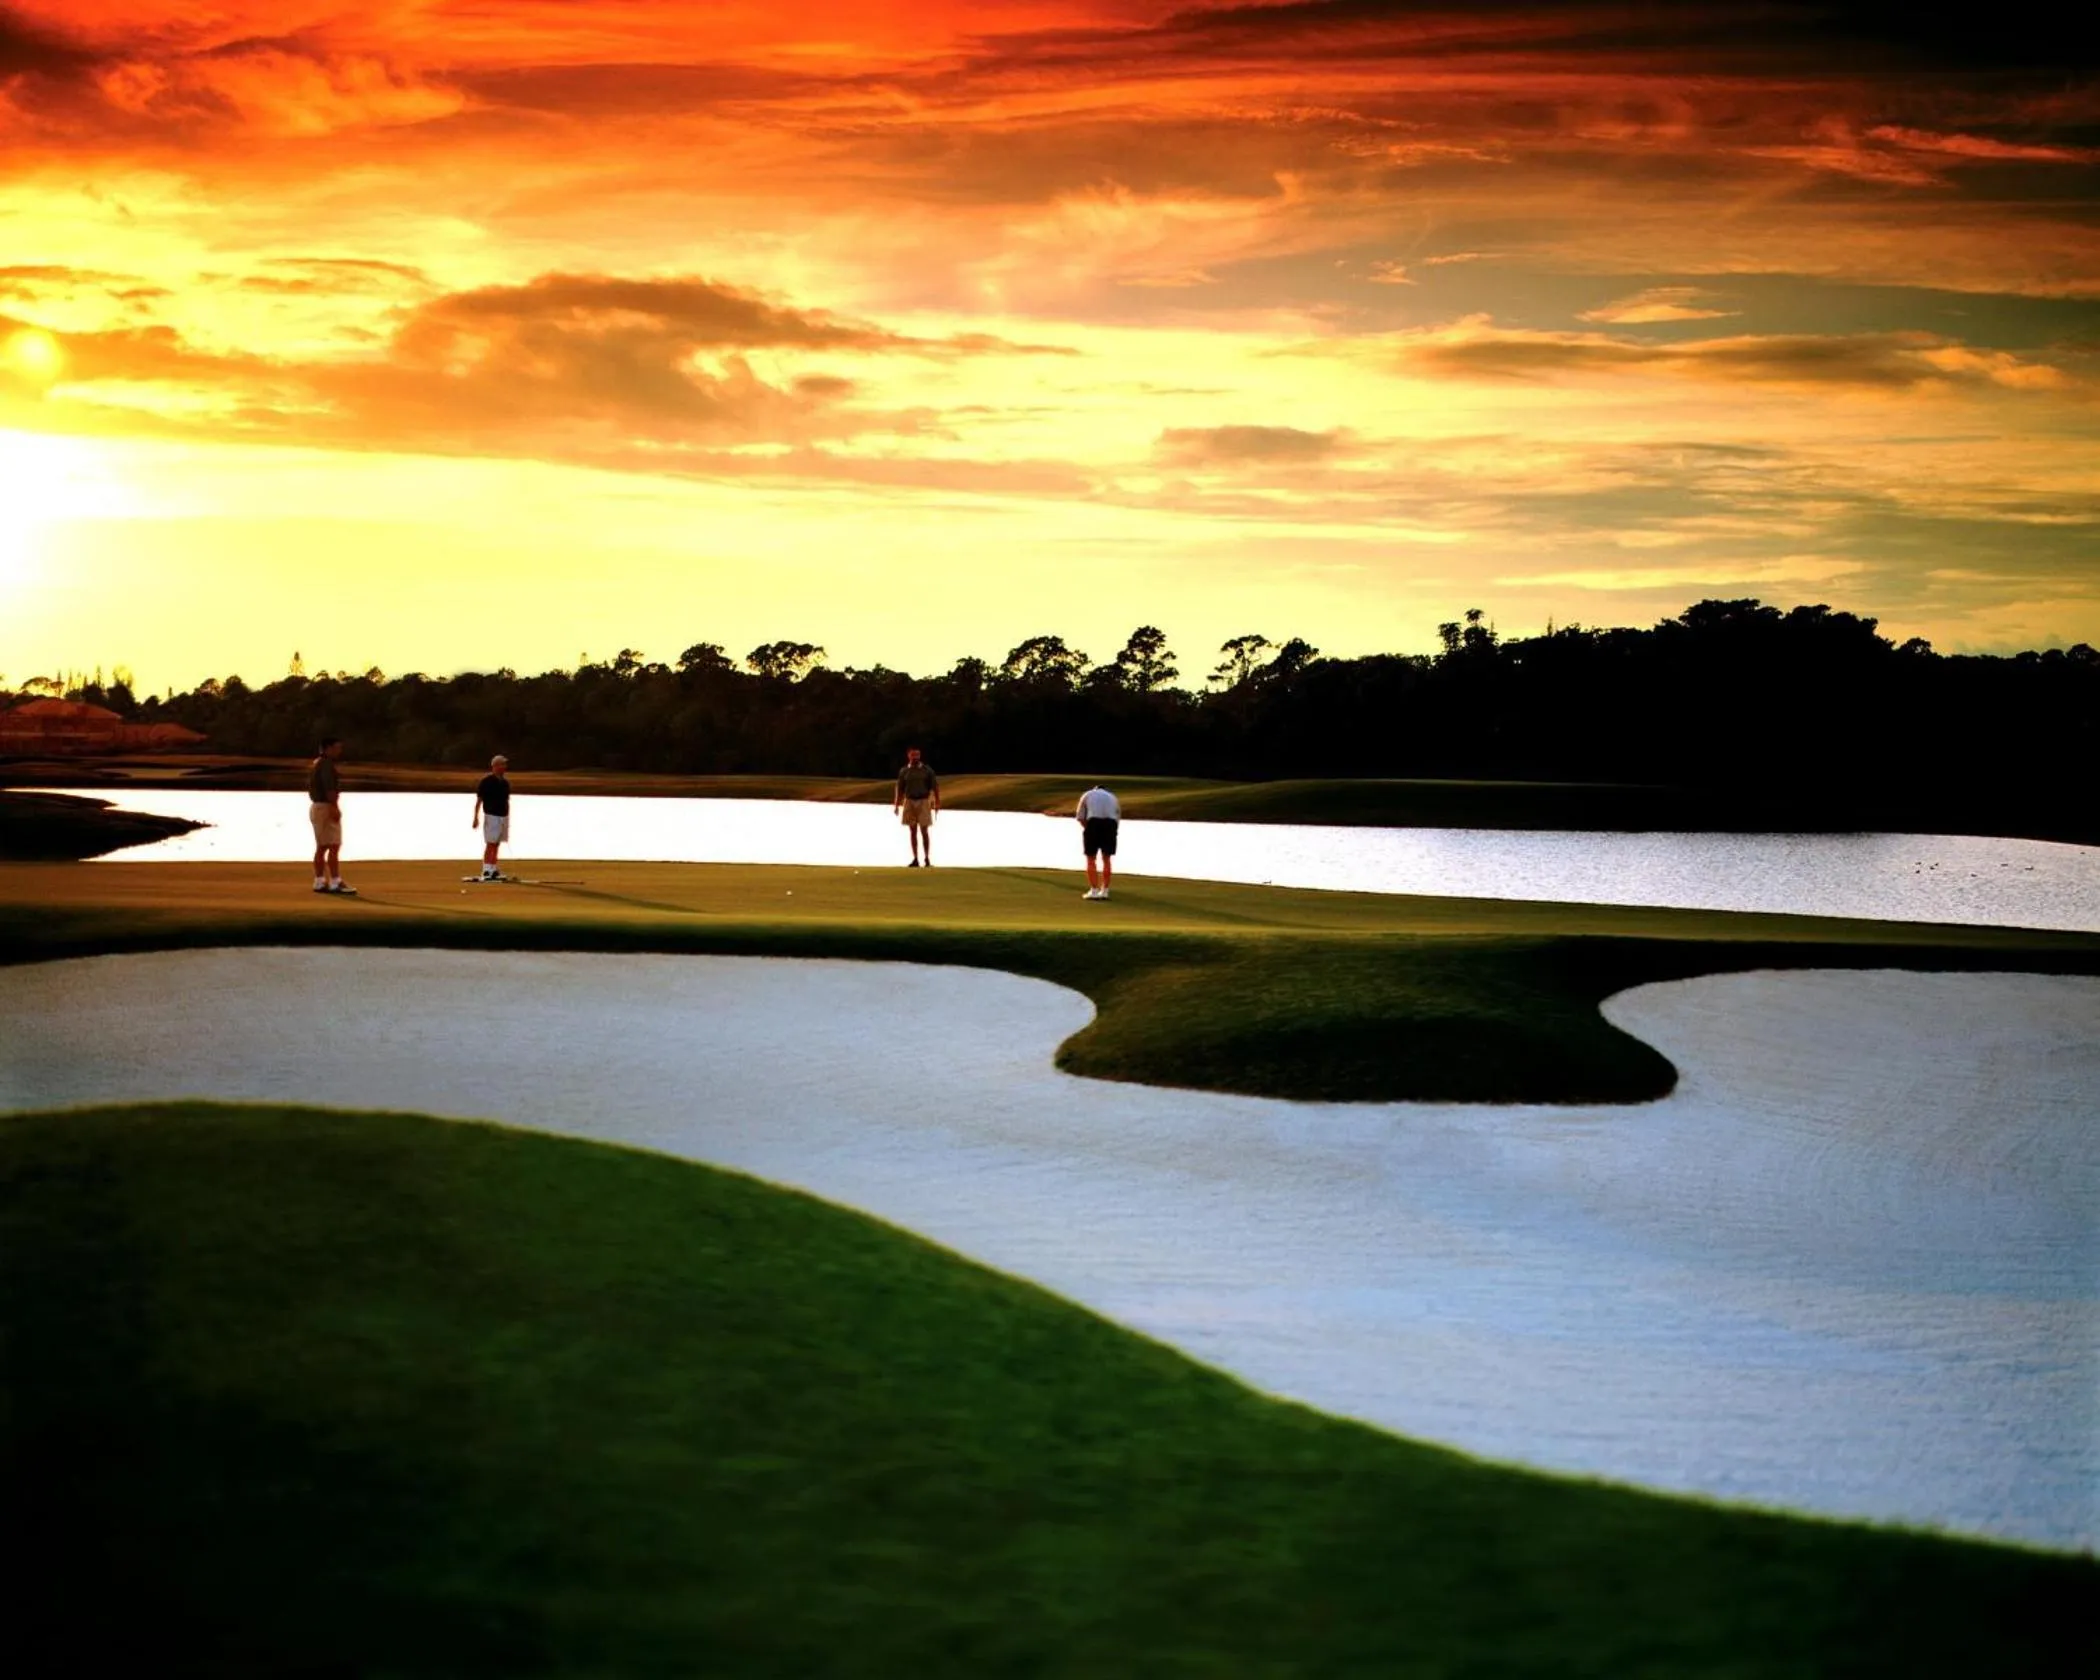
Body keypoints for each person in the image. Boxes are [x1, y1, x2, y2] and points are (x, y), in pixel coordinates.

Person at [308, 736, 354, 895]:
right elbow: (329, 788)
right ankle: (335, 881)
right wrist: (335, 807)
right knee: (333, 845)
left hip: (318, 807)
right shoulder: (326, 764)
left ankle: (320, 881)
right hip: (325, 807)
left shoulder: (317, 763)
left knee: (323, 846)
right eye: (336, 747)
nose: (339, 751)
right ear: (327, 748)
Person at [893, 746, 940, 867]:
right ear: (908, 756)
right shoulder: (904, 771)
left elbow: (935, 787)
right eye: (913, 755)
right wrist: (897, 804)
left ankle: (927, 858)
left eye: (918, 755)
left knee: (924, 830)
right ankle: (915, 859)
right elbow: (900, 789)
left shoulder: (926, 770)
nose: (916, 758)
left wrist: (937, 802)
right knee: (912, 831)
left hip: (923, 801)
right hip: (909, 802)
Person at [1076, 782, 1120, 900]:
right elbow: (1117, 819)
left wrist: (1088, 829)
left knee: (1091, 858)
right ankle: (1105, 891)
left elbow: (1080, 817)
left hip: (1093, 823)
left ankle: (1094, 890)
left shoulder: (1088, 794)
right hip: (1110, 825)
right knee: (1107, 858)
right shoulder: (1113, 797)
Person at [472, 754, 512, 881]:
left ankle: (493, 868)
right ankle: (486, 869)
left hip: (503, 816)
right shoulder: (486, 782)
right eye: (501, 764)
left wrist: (507, 819)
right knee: (491, 843)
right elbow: (479, 800)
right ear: (494, 766)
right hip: (491, 815)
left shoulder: (505, 783)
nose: (504, 767)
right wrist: (476, 817)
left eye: (504, 764)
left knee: (497, 844)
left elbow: (507, 801)